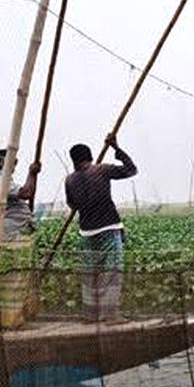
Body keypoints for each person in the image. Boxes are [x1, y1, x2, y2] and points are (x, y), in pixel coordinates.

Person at [64, 134, 137, 322]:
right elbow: (131, 170)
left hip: (87, 232)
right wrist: (116, 148)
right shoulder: (101, 170)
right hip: (109, 228)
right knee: (111, 272)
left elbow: (72, 204)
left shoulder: (70, 180)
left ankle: (91, 315)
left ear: (74, 161)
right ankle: (111, 315)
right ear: (89, 157)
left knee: (91, 274)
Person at [0, 149, 41, 239]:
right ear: (2, 163)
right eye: (14, 162)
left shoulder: (1, 180)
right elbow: (26, 193)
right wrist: (31, 173)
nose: (14, 167)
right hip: (10, 232)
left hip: (14, 230)